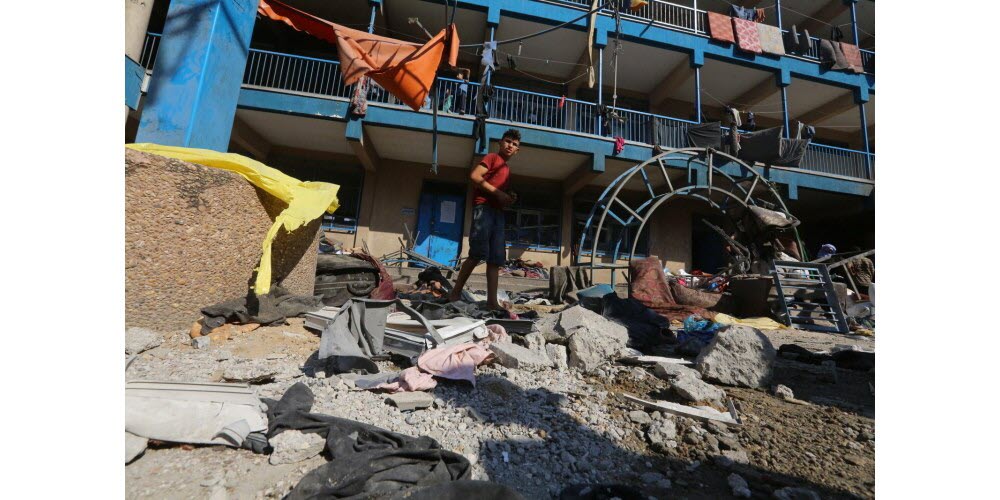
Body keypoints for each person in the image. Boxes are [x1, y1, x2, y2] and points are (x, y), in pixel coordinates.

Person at [448, 129, 521, 309]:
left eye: (515, 144)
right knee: (477, 253)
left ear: (517, 150)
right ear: (500, 142)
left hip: (497, 213)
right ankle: (455, 292)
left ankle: (491, 302)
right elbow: (474, 176)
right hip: (484, 209)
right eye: (508, 141)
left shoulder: (506, 168)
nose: (510, 145)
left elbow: (498, 191)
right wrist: (498, 193)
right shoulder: (492, 158)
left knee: (496, 259)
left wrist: (508, 196)